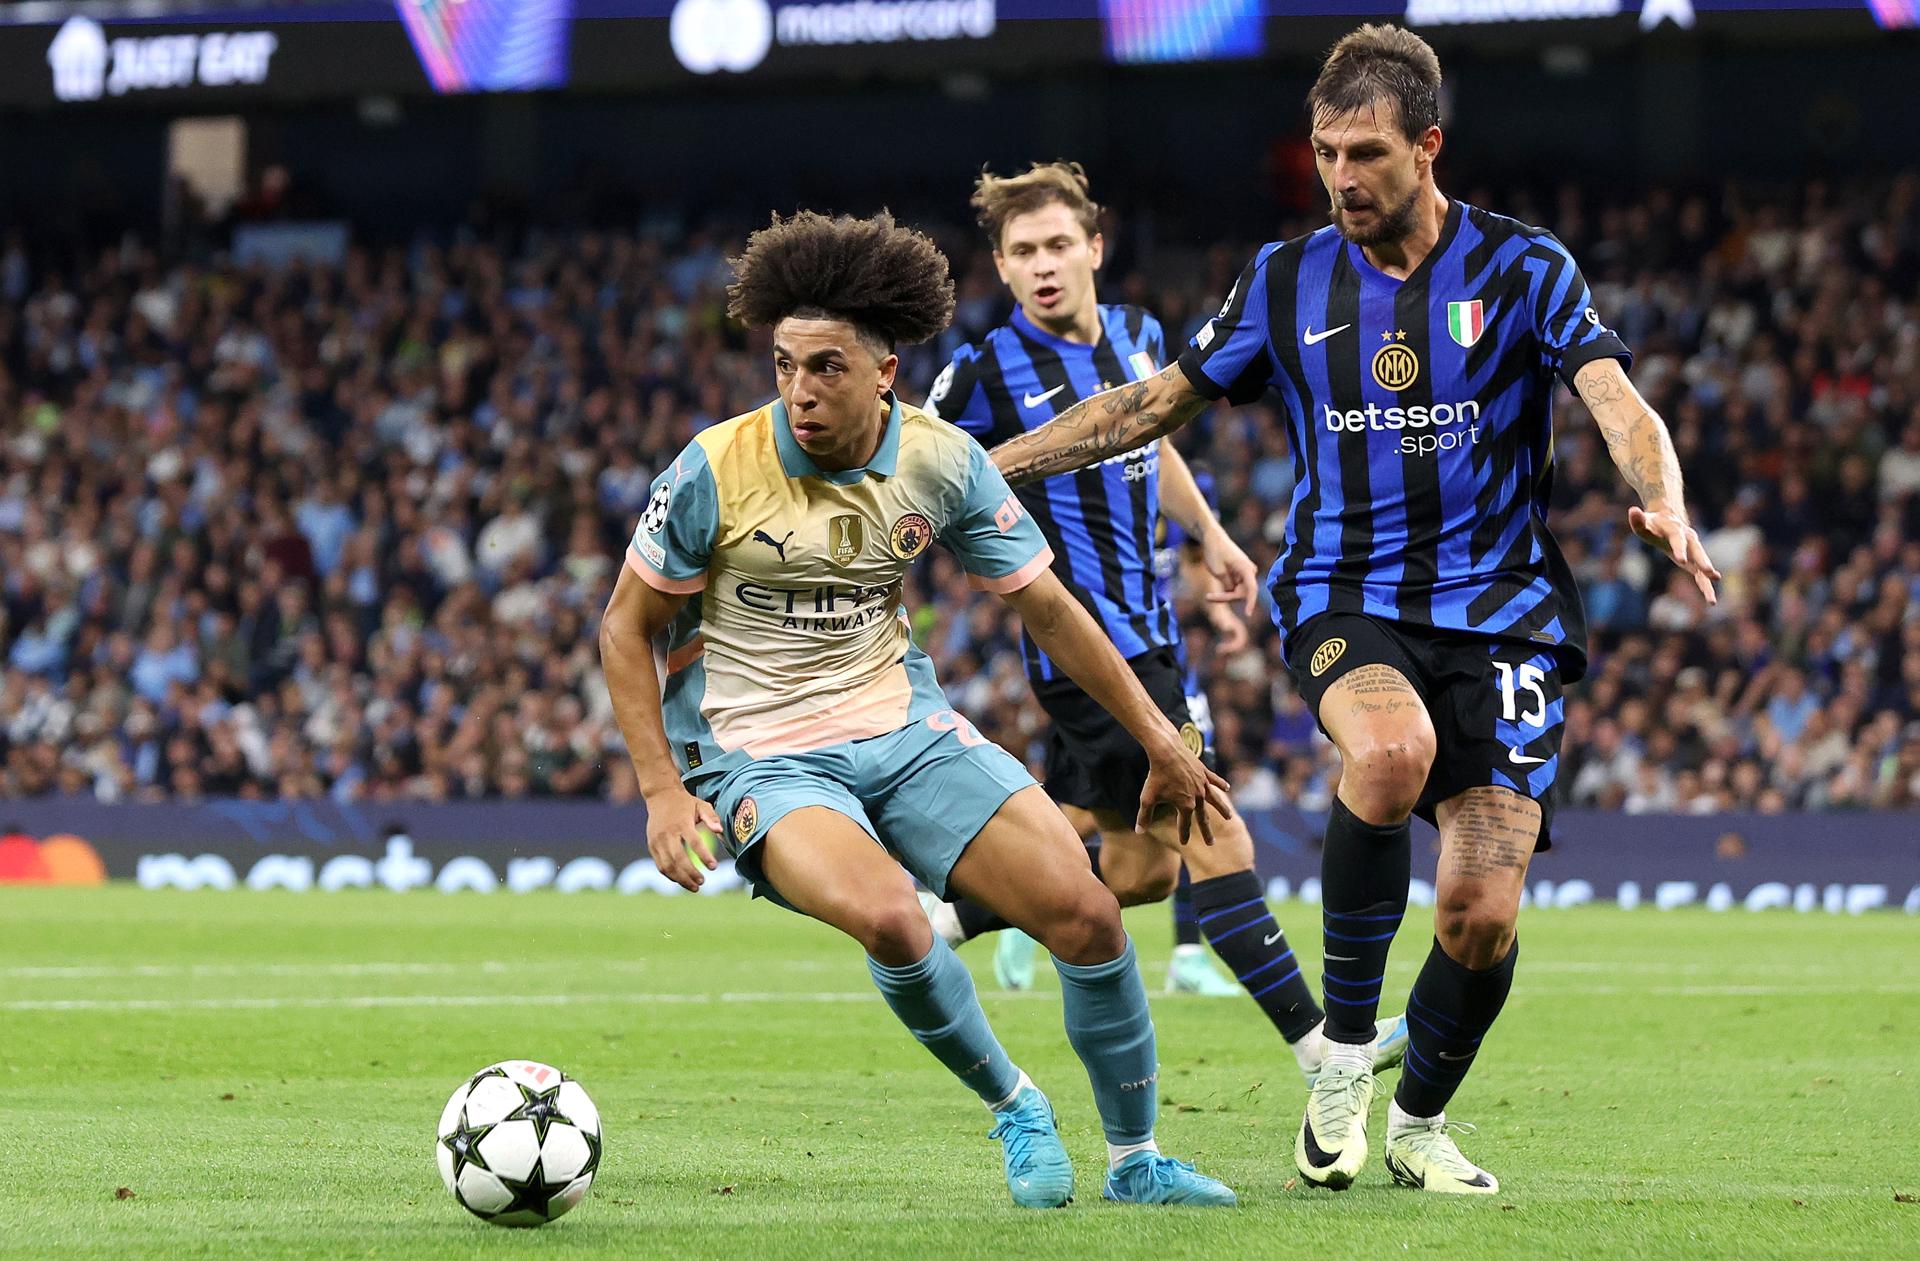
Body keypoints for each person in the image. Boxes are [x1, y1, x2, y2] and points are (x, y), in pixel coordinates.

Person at [982, 26, 1721, 1195]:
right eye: (1325, 151)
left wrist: (1665, 503)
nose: (1340, 176)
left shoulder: (1524, 269)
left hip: (1505, 614)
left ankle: (1418, 1120)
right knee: (1388, 749)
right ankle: (1340, 1057)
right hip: (1343, 592)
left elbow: (1615, 399)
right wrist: (992, 468)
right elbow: (1147, 406)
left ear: (1428, 145)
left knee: (1479, 914)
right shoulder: (1285, 279)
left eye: (1365, 152)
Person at [599, 209, 1238, 1209]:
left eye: (826, 368)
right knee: (896, 920)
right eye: (784, 365)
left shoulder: (939, 460)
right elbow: (622, 628)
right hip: (762, 759)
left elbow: (1049, 607)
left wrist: (1161, 737)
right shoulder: (714, 469)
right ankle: (1017, 1104)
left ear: (885, 371)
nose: (801, 391)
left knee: (1089, 911)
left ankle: (1137, 1158)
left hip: (903, 729)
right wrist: (659, 792)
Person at [923, 163, 1408, 1085]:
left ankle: (945, 917)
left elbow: (1152, 440)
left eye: (1059, 244)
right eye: (1023, 253)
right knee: (1215, 829)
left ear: (1095, 248)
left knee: (1138, 872)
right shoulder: (983, 371)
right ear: (1001, 266)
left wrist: (1209, 532)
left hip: (1150, 631)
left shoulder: (1143, 336)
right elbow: (912, 462)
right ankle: (1324, 1050)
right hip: (1089, 649)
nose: (1044, 266)